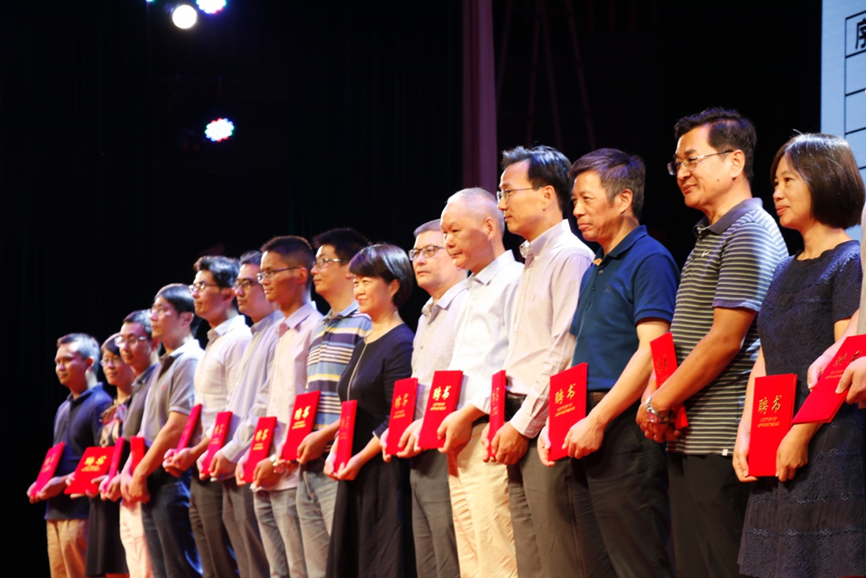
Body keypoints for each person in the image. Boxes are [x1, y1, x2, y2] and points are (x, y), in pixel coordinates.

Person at [637, 107, 788, 578]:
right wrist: (657, 396)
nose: (682, 173)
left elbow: (725, 341)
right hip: (690, 436)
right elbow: (684, 337)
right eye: (677, 164)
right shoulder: (710, 235)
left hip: (723, 441)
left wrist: (659, 401)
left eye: (692, 159)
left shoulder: (749, 232)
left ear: (734, 161)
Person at [538, 148, 678, 578]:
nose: (577, 210)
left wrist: (597, 420)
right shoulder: (595, 266)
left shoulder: (649, 258)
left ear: (623, 200)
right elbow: (580, 353)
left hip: (624, 428)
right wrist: (557, 419)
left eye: (586, 199)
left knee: (636, 562)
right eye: (574, 200)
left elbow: (652, 350)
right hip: (585, 423)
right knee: (597, 564)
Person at [732, 133, 866, 578]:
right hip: (775, 442)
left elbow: (846, 358)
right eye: (775, 182)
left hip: (827, 445)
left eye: (789, 180)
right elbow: (765, 358)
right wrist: (746, 433)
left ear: (825, 179)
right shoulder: (783, 269)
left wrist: (799, 435)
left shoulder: (849, 262)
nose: (777, 191)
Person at [491, 145, 593, 577]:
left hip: (547, 422)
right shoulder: (532, 258)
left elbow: (564, 351)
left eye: (508, 192)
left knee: (558, 558)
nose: (501, 205)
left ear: (547, 194)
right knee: (530, 559)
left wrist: (523, 424)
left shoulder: (570, 256)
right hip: (520, 416)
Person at [435, 188, 522, 577]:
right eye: (444, 233)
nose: (448, 242)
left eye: (454, 231)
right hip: (460, 436)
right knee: (471, 561)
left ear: (489, 227)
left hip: (491, 432)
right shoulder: (469, 290)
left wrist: (468, 414)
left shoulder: (514, 280)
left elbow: (515, 364)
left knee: (499, 556)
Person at [324, 244, 415, 578]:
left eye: (366, 281)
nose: (358, 289)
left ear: (393, 285)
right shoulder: (364, 341)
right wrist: (337, 450)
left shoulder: (402, 342)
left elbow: (397, 415)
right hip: (354, 469)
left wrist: (359, 458)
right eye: (356, 281)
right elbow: (351, 408)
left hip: (382, 471)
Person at [383, 219, 467, 578]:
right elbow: (418, 386)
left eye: (431, 251)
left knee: (450, 557)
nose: (419, 260)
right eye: (415, 253)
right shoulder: (427, 313)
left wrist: (428, 423)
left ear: (456, 253)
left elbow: (467, 378)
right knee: (427, 560)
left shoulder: (467, 304)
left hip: (449, 444)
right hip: (418, 446)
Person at [164, 256, 250, 578]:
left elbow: (234, 411)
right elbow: (204, 413)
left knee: (226, 562)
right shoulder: (214, 341)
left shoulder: (239, 339)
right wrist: (188, 450)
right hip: (204, 463)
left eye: (202, 286)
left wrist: (195, 452)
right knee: (210, 564)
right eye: (194, 286)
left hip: (224, 463)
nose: (195, 293)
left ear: (228, 294)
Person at [295, 228, 372, 578]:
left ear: (351, 269)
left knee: (344, 565)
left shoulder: (366, 322)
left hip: (340, 461)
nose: (315, 270)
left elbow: (367, 401)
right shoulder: (320, 326)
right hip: (309, 462)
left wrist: (325, 436)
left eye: (324, 261)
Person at [252, 235, 323, 578]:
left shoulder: (315, 328)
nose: (262, 281)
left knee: (301, 570)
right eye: (261, 274)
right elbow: (270, 402)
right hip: (267, 468)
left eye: (270, 272)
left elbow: (311, 404)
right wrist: (256, 455)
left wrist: (280, 461)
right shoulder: (280, 330)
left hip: (292, 471)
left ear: (300, 274)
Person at [207, 251, 281, 578]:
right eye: (238, 284)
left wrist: (234, 450)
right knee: (247, 562)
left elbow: (264, 405)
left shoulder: (278, 332)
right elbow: (236, 405)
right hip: (235, 459)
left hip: (254, 457)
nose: (239, 291)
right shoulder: (255, 334)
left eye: (249, 283)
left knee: (261, 564)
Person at [124, 284, 203, 578]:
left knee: (181, 569)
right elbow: (147, 430)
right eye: (152, 309)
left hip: (172, 477)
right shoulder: (163, 364)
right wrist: (135, 471)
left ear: (186, 318)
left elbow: (177, 426)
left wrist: (139, 473)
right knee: (162, 571)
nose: (153, 316)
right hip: (153, 477)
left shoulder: (189, 359)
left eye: (161, 310)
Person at [29, 333, 113, 578]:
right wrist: (42, 482)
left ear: (89, 363)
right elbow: (58, 456)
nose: (60, 367)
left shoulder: (101, 404)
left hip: (82, 512)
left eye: (66, 360)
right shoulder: (63, 407)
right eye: (57, 362)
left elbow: (104, 459)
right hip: (55, 512)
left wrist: (62, 482)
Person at [111, 310, 160, 578]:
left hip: (150, 487)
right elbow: (136, 440)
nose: (125, 347)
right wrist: (122, 474)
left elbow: (157, 434)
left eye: (133, 340)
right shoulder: (139, 384)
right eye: (122, 340)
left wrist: (133, 474)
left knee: (150, 569)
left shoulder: (157, 378)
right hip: (130, 488)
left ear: (153, 342)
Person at [84, 333, 135, 578]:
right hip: (103, 499)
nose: (110, 366)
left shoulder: (139, 404)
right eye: (106, 360)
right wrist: (84, 480)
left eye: (116, 359)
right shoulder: (108, 410)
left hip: (127, 495)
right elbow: (100, 455)